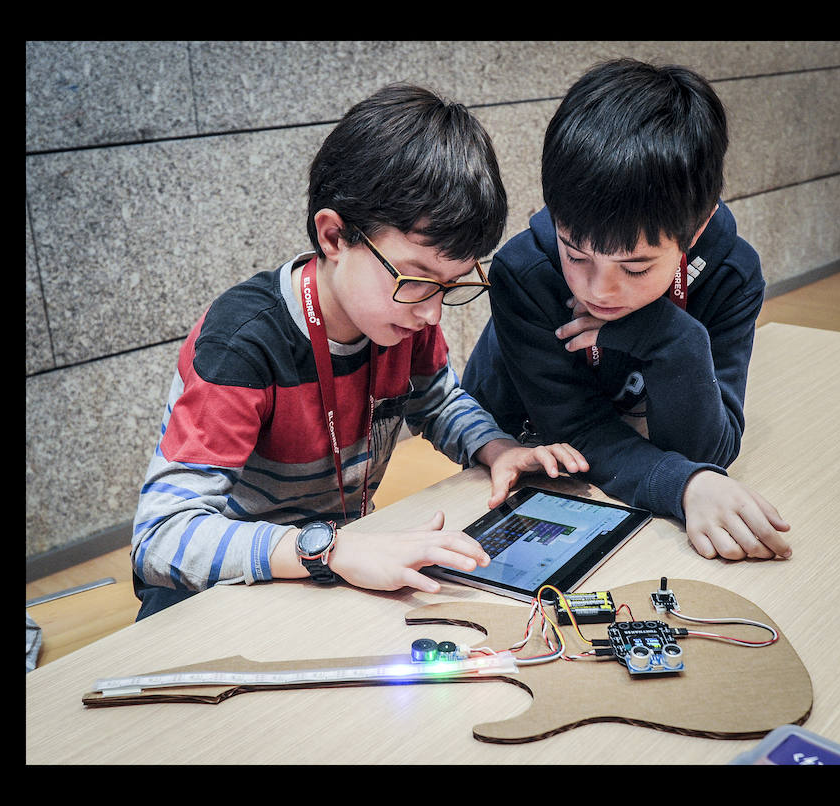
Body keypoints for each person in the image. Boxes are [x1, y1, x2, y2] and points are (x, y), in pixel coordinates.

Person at [131, 84, 589, 619]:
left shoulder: (400, 316)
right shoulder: (242, 342)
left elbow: (437, 403)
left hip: (335, 562)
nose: (433, 313)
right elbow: (161, 538)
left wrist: (496, 448)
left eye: (453, 284)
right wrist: (331, 548)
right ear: (334, 236)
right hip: (221, 584)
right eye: (418, 280)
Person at [462, 59, 792, 562]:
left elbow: (710, 448)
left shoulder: (732, 273)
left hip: (623, 459)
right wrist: (683, 484)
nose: (599, 290)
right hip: (515, 456)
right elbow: (571, 430)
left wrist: (670, 337)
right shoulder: (524, 273)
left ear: (696, 229)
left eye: (635, 268)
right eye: (575, 254)